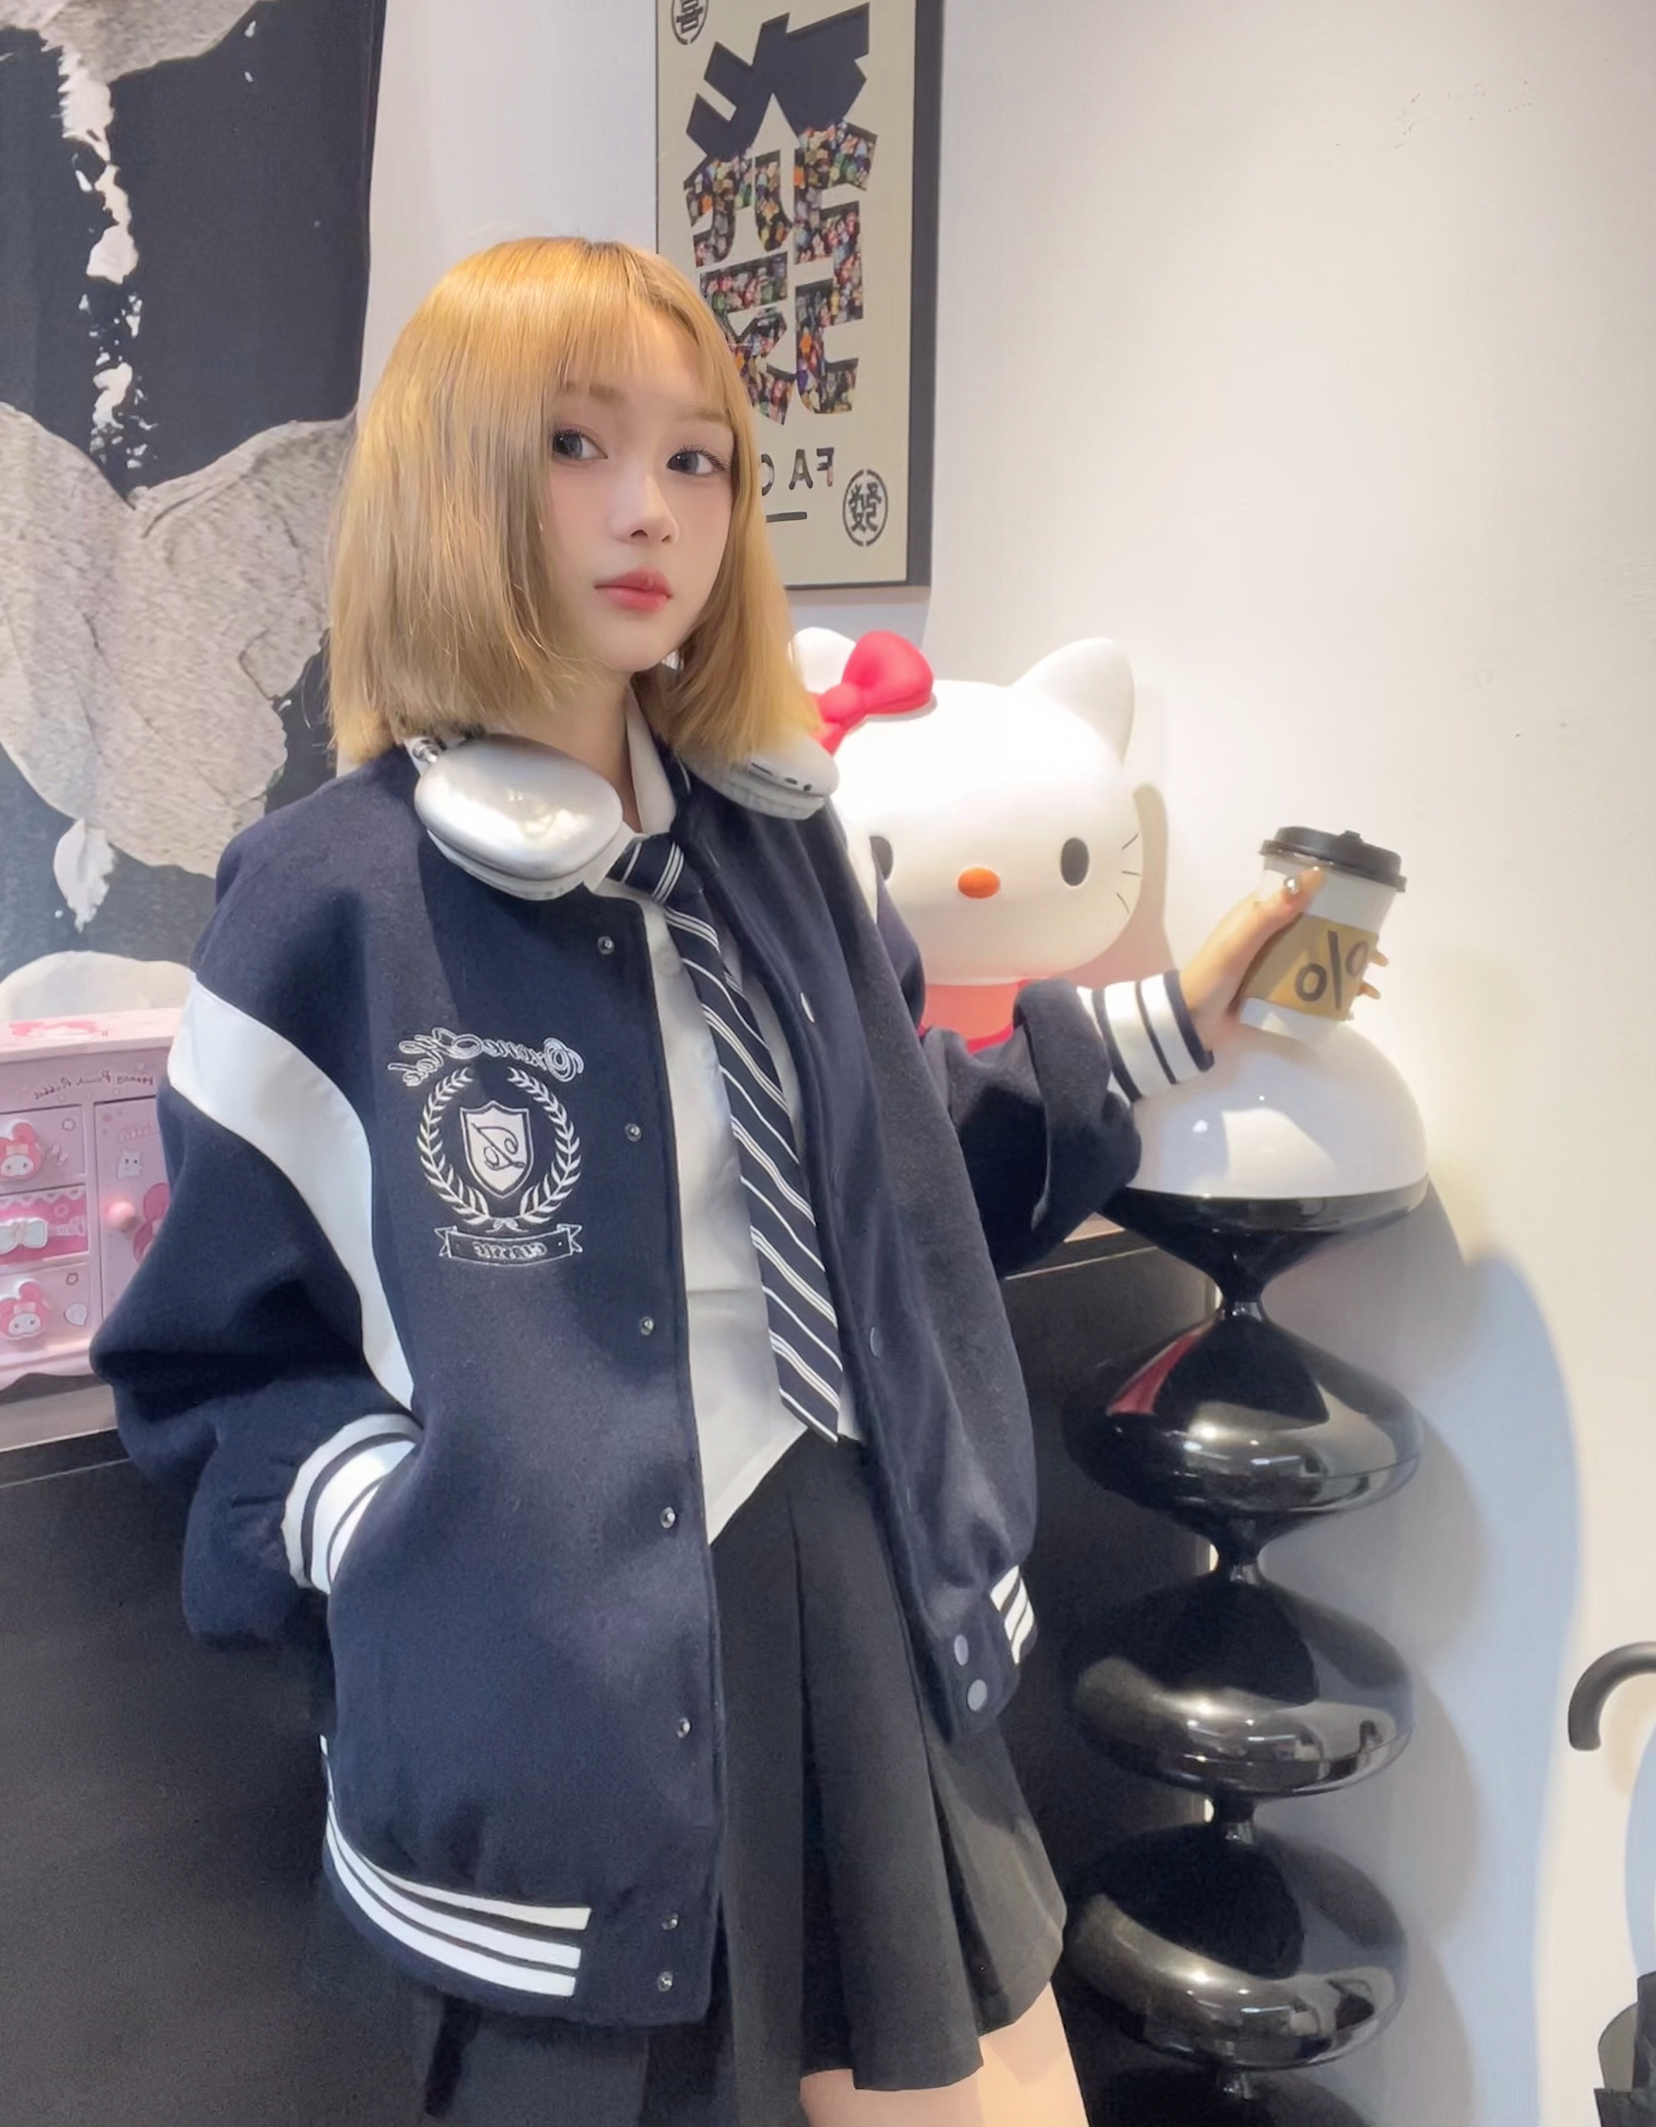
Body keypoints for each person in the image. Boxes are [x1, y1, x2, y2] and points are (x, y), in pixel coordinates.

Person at [93, 237, 1320, 2127]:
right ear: (448, 482)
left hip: (864, 1592)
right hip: (554, 1678)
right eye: (577, 444)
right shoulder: (326, 899)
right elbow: (209, 1356)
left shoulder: (783, 844)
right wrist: (407, 1527)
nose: (650, 508)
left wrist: (1168, 1026)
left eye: (699, 459)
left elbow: (907, 1182)